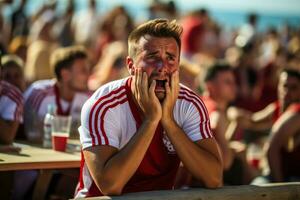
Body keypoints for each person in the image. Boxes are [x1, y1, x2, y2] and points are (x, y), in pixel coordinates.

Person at [75, 19, 222, 197]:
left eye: (170, 58)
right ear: (131, 66)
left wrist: (168, 120)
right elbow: (110, 185)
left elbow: (213, 178)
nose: (162, 68)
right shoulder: (103, 105)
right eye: (153, 57)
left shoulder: (189, 103)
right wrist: (151, 120)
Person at [202, 62, 256, 185]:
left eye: (233, 82)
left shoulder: (203, 105)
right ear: (210, 87)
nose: (234, 86)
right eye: (227, 82)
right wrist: (234, 151)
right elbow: (225, 163)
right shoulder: (215, 112)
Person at [24, 45, 90, 143]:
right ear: (65, 74)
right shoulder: (39, 93)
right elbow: (27, 134)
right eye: (83, 70)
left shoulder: (88, 98)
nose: (88, 75)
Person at [0, 53, 23, 150]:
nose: (12, 80)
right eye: (8, 76)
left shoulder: (14, 96)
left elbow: (7, 138)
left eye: (17, 76)